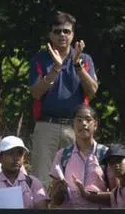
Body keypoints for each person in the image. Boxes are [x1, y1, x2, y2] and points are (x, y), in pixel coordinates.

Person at [29, 11, 99, 189]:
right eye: (57, 31)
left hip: (76, 127)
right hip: (46, 126)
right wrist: (55, 69)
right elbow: (36, 93)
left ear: (73, 34)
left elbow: (92, 92)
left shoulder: (84, 59)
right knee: (41, 182)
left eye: (66, 31)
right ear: (50, 34)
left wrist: (77, 66)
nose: (62, 35)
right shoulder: (40, 58)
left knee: (76, 181)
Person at [48, 105, 108, 209]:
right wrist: (59, 191)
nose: (83, 124)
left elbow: (117, 194)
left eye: (88, 120)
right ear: (73, 124)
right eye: (79, 120)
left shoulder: (105, 154)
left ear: (96, 124)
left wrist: (89, 196)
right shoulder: (62, 155)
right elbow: (54, 198)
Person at [0, 135, 48, 209]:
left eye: (20, 153)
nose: (16, 158)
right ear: (0, 158)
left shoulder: (34, 183)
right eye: (10, 153)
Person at [69, 142, 125, 208]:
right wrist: (84, 193)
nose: (115, 165)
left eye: (118, 160)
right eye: (111, 163)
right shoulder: (115, 194)